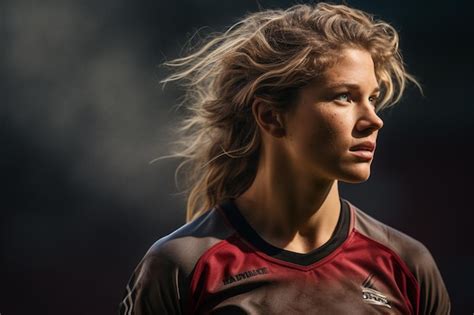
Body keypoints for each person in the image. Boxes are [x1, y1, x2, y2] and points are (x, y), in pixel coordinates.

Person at [119, 3, 451, 314]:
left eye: (373, 99)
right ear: (271, 117)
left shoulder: (407, 266)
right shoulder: (182, 267)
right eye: (345, 97)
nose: (373, 120)